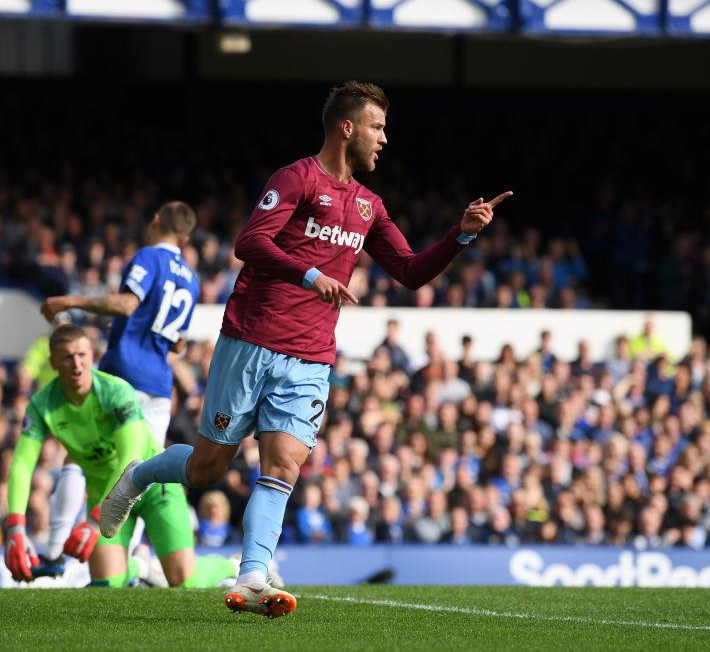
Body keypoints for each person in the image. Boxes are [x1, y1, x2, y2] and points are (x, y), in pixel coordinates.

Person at [100, 80, 512, 617]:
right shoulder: (296, 178)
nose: (385, 139)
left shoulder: (369, 206)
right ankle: (137, 476)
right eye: (377, 127)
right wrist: (310, 273)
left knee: (284, 463)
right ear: (347, 127)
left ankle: (251, 576)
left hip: (312, 355)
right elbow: (248, 243)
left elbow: (410, 273)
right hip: (250, 339)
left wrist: (461, 235)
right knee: (206, 469)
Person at [4, 324, 234, 588]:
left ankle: (230, 565)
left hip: (152, 486)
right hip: (105, 495)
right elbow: (22, 464)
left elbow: (130, 457)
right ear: (53, 362)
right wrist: (15, 528)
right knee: (106, 587)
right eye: (67, 357)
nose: (77, 364)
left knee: (184, 580)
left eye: (82, 355)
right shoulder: (42, 405)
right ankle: (142, 566)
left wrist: (92, 520)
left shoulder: (116, 391)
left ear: (92, 356)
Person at [37, 202, 199, 570]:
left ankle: (53, 553)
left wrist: (71, 300)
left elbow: (127, 305)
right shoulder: (191, 277)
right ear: (186, 237)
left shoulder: (148, 258)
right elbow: (178, 343)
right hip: (159, 385)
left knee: (79, 456)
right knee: (138, 473)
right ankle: (127, 561)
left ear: (155, 220)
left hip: (125, 371)